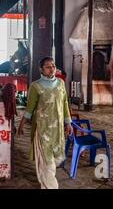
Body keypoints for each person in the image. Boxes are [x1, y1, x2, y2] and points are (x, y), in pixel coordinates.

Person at [17, 57, 72, 189]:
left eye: (53, 65)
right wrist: (21, 124)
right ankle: (50, 186)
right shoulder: (36, 86)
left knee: (55, 158)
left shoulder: (60, 83)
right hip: (42, 129)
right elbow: (29, 108)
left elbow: (65, 104)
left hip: (57, 128)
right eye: (48, 66)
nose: (51, 68)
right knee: (46, 160)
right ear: (41, 69)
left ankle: (45, 181)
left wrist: (68, 122)